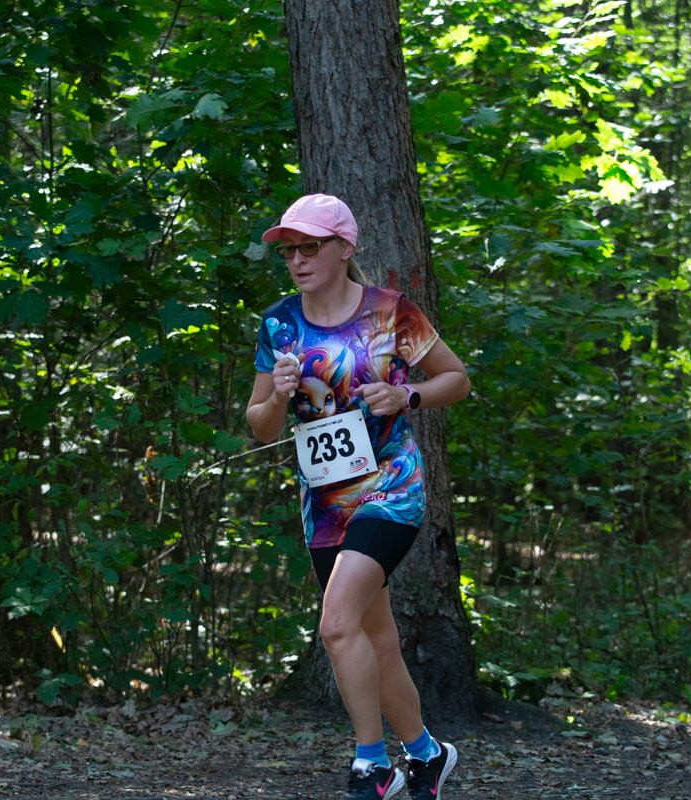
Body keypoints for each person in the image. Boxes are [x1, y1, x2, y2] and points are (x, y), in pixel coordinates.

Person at [246, 194, 471, 800]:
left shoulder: (390, 313)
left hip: (390, 489)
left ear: (345, 249)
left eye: (310, 247)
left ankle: (374, 764)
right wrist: (277, 395)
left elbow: (457, 379)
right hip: (325, 503)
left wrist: (408, 398)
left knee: (337, 623)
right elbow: (261, 424)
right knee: (376, 639)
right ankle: (426, 753)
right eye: (289, 250)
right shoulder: (278, 323)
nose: (297, 260)